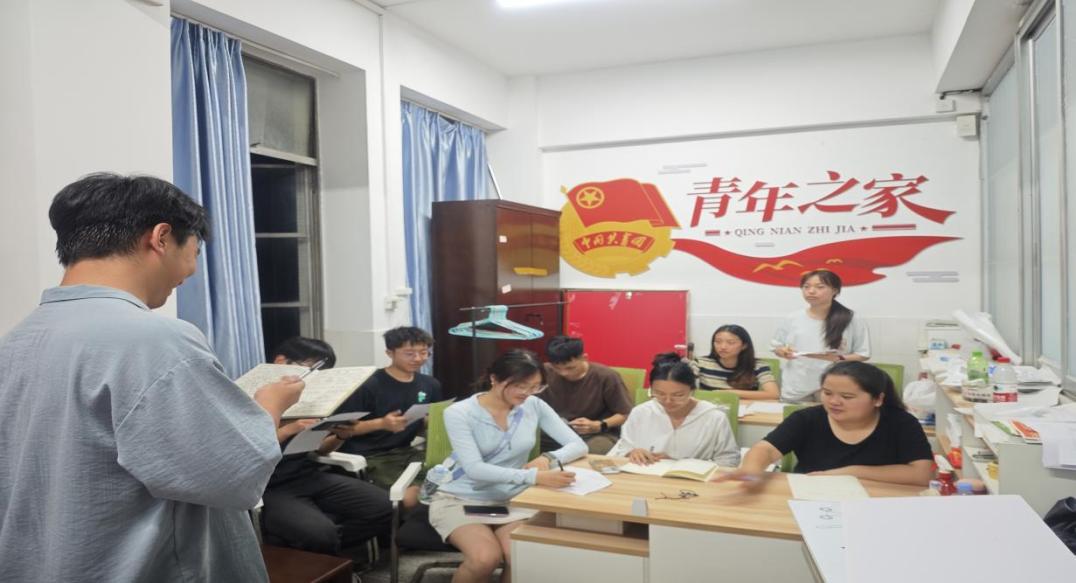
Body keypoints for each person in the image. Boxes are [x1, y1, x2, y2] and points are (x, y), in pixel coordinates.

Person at [0, 173, 302, 581]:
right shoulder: (156, 340)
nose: (190, 271)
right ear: (161, 237)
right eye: (195, 250)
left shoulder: (17, 341)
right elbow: (235, 474)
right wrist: (269, 405)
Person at [428, 349, 586, 583]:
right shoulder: (459, 412)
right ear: (494, 379)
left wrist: (548, 458)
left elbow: (578, 445)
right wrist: (534, 477)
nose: (527, 393)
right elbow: (475, 469)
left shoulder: (534, 405)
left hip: (512, 499)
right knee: (484, 558)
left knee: (522, 556)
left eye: (535, 387)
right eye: (520, 386)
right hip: (460, 498)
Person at [261, 337, 392, 558]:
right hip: (269, 486)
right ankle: (323, 553)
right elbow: (245, 449)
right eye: (311, 368)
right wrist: (288, 429)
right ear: (281, 361)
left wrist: (341, 435)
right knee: (320, 534)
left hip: (306, 475)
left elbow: (320, 450)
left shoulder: (309, 399)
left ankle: (323, 554)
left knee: (385, 507)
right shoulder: (258, 398)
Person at [720, 361, 933, 489]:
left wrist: (850, 472)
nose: (834, 402)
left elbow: (921, 475)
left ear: (878, 399)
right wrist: (751, 470)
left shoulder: (901, 423)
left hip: (878, 503)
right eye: (827, 393)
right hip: (814, 499)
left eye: (847, 397)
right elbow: (765, 450)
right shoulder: (807, 419)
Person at [333, 326, 442, 509]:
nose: (418, 359)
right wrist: (381, 423)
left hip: (407, 452)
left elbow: (428, 420)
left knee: (448, 483)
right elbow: (341, 429)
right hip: (372, 456)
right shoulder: (368, 385)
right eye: (409, 353)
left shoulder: (430, 384)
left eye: (424, 353)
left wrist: (430, 422)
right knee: (413, 497)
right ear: (389, 353)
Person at [608, 353, 740, 467]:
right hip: (647, 477)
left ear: (692, 391)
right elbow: (621, 448)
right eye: (659, 393)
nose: (668, 401)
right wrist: (632, 453)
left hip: (694, 482)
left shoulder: (713, 417)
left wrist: (679, 463)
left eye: (678, 395)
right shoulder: (641, 412)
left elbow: (729, 460)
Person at [772, 269, 870, 402]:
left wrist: (838, 358)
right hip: (796, 384)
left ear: (835, 290)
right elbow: (777, 346)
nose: (811, 291)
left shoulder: (851, 318)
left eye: (820, 287)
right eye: (806, 287)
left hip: (834, 385)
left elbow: (863, 354)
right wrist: (783, 351)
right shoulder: (792, 318)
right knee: (796, 415)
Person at [538, 335, 633, 454]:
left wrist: (600, 425)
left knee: (589, 452)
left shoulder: (606, 377)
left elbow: (626, 414)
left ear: (584, 358)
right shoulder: (544, 372)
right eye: (557, 368)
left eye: (570, 368)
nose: (563, 373)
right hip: (555, 433)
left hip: (596, 434)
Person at [692, 325, 779, 400]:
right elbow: (685, 387)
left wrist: (730, 393)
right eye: (718, 342)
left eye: (731, 342)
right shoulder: (700, 362)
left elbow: (773, 394)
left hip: (745, 409)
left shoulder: (758, 365)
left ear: (744, 345)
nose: (723, 347)